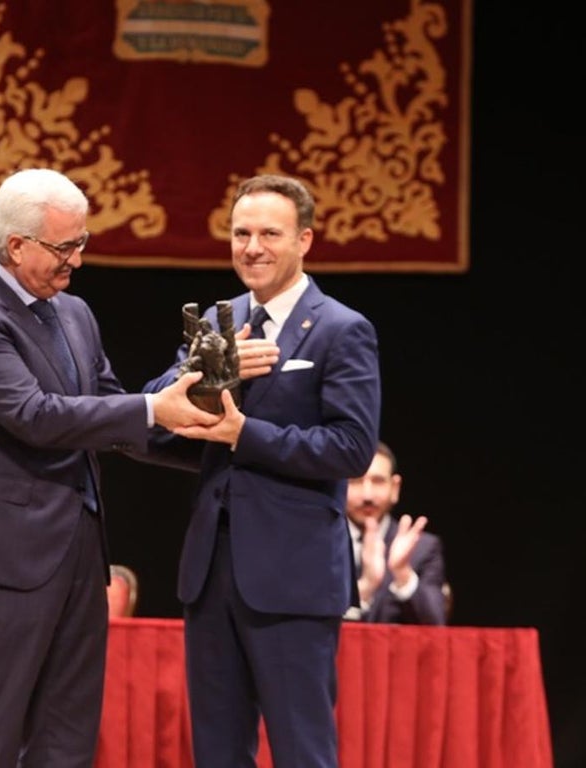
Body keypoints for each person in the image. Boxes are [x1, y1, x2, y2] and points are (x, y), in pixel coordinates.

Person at [0, 167, 220, 767]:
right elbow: (37, 416)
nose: (76, 260)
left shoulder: (73, 314)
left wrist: (210, 441)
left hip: (77, 549)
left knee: (67, 737)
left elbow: (107, 414)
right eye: (64, 246)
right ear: (16, 244)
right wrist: (156, 405)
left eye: (81, 243)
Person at [143, 173, 381, 767]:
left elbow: (351, 448)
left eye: (269, 233)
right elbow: (152, 416)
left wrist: (244, 434)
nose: (252, 247)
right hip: (210, 572)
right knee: (218, 755)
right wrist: (194, 374)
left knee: (303, 752)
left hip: (292, 577)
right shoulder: (222, 326)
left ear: (304, 240)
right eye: (241, 232)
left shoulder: (340, 329)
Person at [344, 442, 448, 625]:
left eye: (378, 481)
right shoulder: (320, 546)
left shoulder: (423, 548)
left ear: (395, 488)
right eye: (356, 481)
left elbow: (436, 624)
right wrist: (366, 588)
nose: (367, 495)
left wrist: (403, 573)